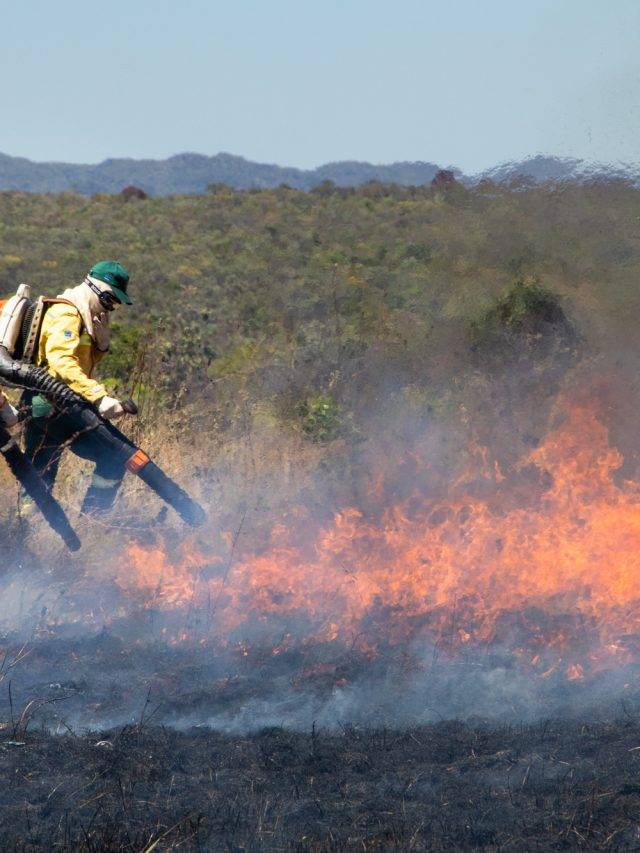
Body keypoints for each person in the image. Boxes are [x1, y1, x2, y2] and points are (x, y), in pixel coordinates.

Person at [23, 261, 136, 515]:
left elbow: (81, 361)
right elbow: (61, 362)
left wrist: (100, 346)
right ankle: (94, 520)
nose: (111, 308)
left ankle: (22, 529)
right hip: (53, 403)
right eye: (109, 300)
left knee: (39, 475)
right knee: (113, 457)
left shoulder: (85, 317)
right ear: (95, 289)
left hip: (45, 403)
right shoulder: (68, 314)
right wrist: (99, 397)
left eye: (116, 304)